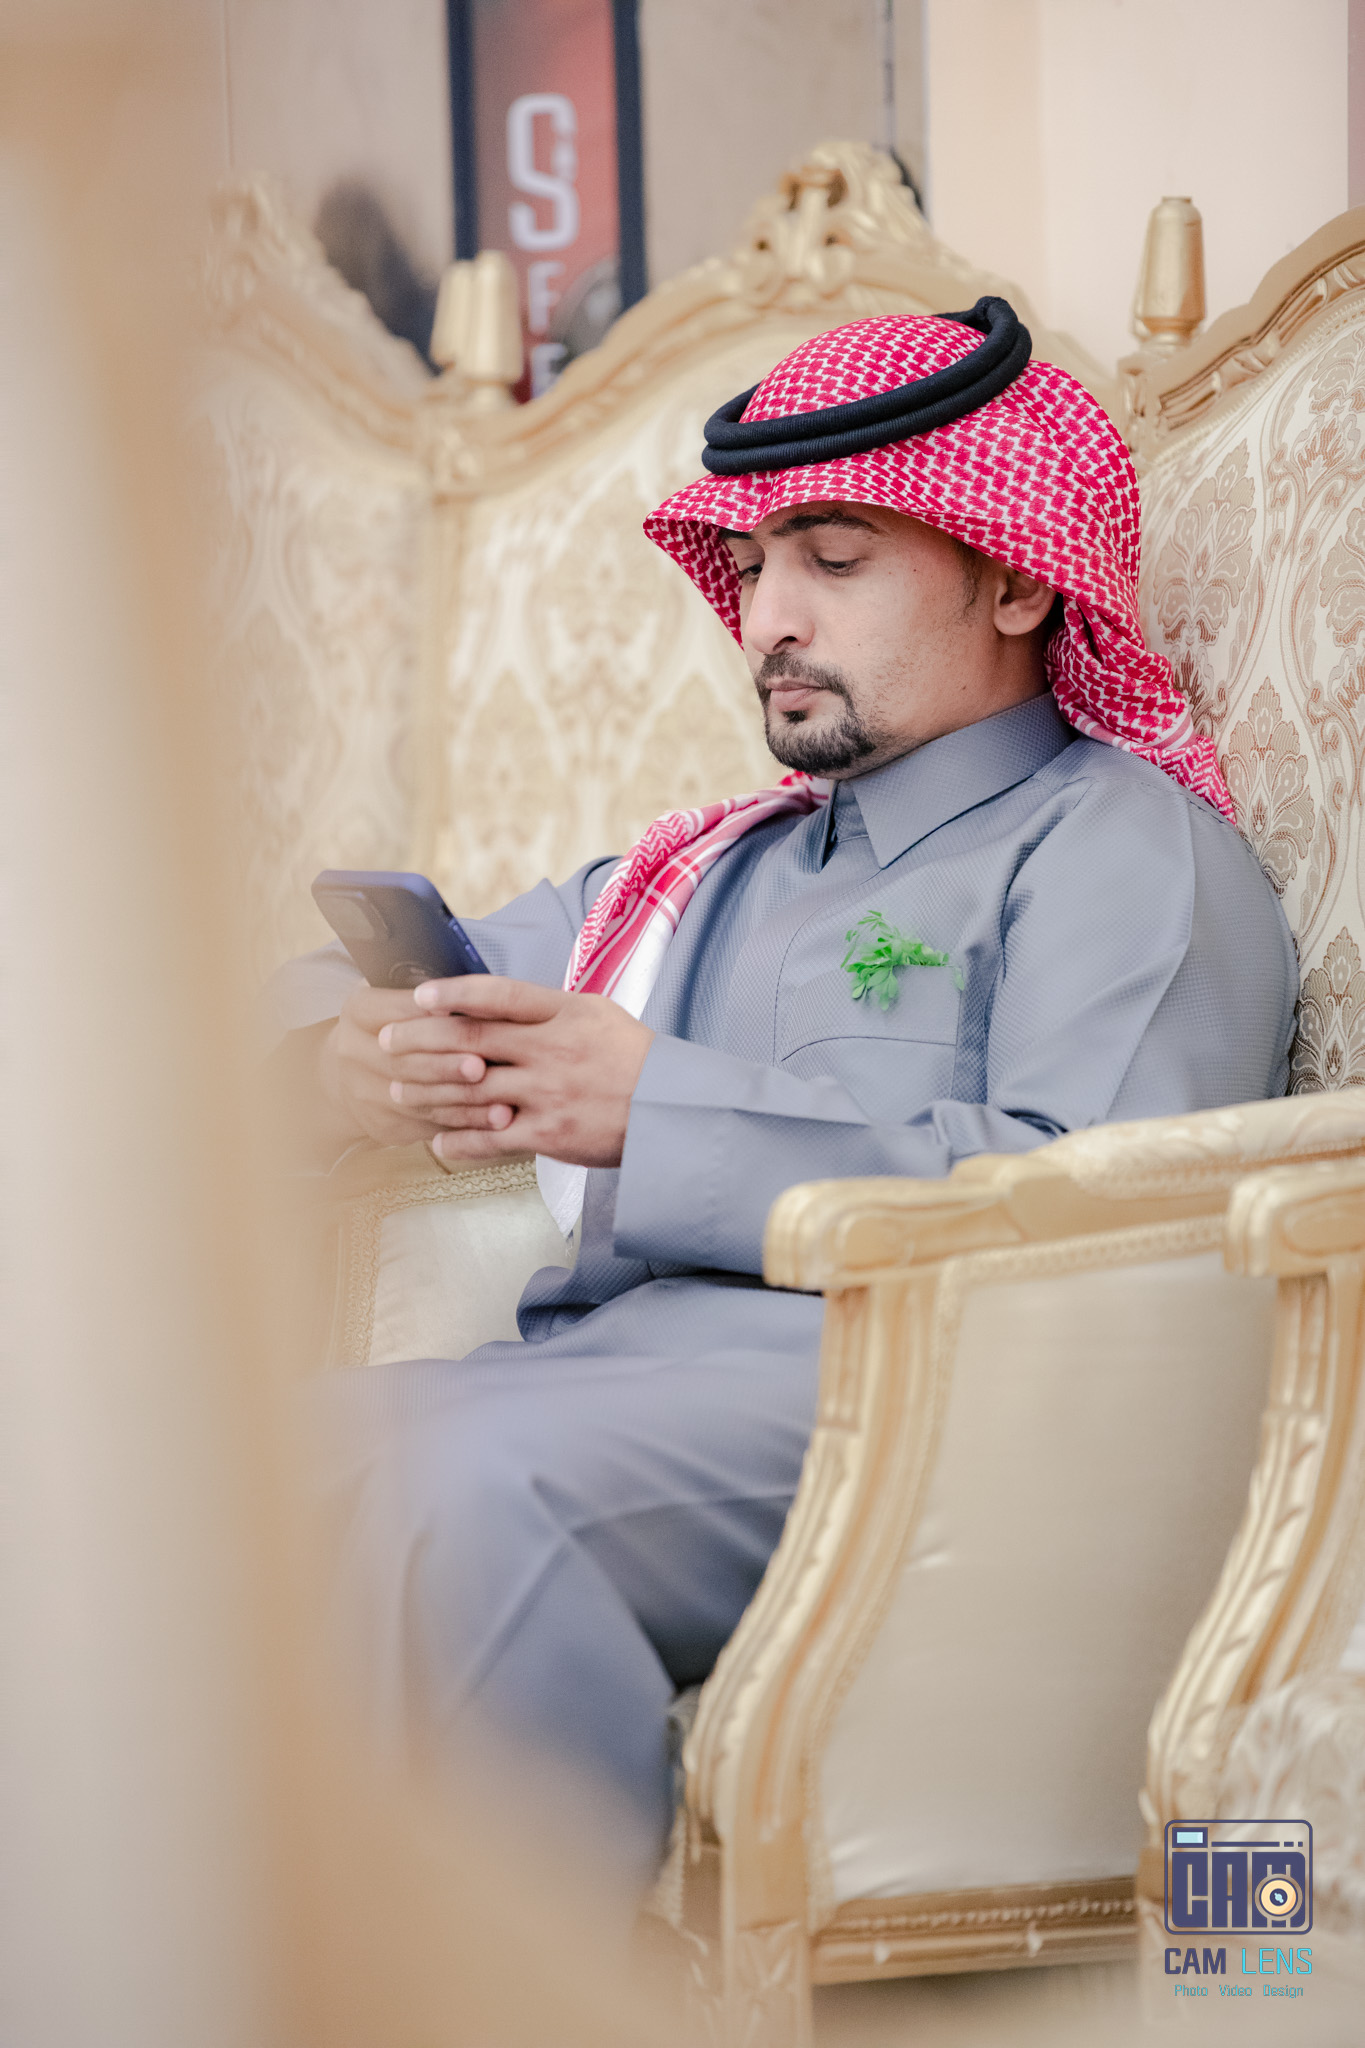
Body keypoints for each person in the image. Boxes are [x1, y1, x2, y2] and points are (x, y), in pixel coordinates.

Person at [276, 303, 1296, 1890]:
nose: (767, 617)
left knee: (464, 1493)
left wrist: (658, 1111)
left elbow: (1103, 1208)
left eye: (832, 559)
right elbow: (362, 984)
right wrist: (347, 1064)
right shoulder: (706, 868)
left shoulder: (1116, 844)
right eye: (752, 567)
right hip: (606, 1376)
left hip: (922, 1408)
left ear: (1015, 579)